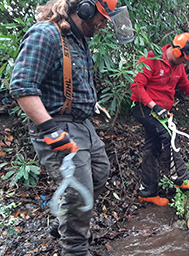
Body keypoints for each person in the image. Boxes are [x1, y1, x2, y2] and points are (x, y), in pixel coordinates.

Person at [9, 0, 132, 255]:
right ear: (84, 8)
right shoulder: (46, 34)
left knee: (100, 173)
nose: (102, 25)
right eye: (100, 17)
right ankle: (74, 248)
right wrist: (50, 129)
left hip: (81, 123)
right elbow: (22, 87)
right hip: (56, 124)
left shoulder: (77, 39)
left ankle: (63, 220)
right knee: (80, 190)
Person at [130, 32, 189, 206]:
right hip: (143, 107)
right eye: (184, 59)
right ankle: (181, 178)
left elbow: (184, 85)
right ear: (177, 52)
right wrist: (154, 106)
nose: (185, 63)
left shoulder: (179, 67)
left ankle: (147, 191)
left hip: (160, 111)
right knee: (170, 134)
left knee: (151, 148)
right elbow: (136, 85)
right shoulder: (152, 57)